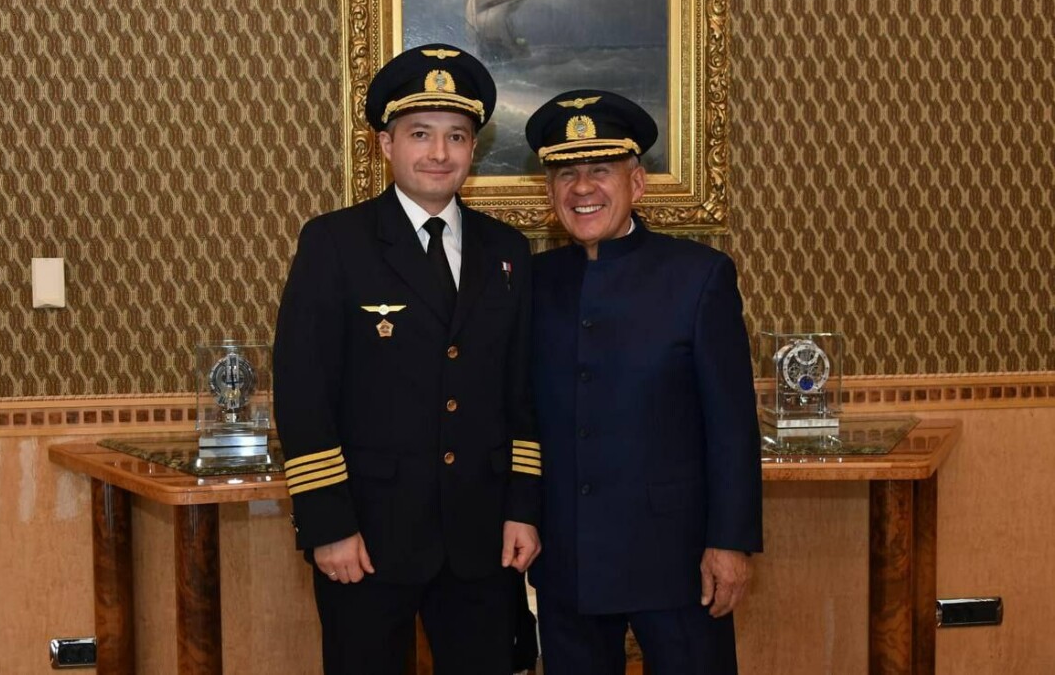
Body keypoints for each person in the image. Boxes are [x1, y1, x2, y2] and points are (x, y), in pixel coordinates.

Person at [272, 44, 542, 675]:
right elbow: (304, 391)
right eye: (420, 134)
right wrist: (327, 524)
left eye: (457, 136)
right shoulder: (335, 242)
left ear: (473, 150)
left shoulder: (507, 251)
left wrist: (523, 509)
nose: (439, 152)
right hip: (368, 536)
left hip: (482, 538)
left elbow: (523, 393)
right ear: (386, 145)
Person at [524, 90, 762, 674]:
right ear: (549, 192)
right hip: (568, 557)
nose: (582, 188)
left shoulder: (699, 276)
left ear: (638, 183)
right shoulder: (532, 282)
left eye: (600, 171)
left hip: (677, 560)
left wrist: (730, 542)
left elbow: (731, 425)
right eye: (566, 174)